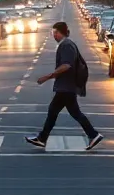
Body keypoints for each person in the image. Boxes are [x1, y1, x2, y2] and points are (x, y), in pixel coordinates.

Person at [26, 21, 103, 150]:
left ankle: (93, 135)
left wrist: (48, 77)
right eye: (53, 33)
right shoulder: (67, 44)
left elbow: (67, 65)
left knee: (65, 112)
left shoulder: (66, 45)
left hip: (66, 86)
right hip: (66, 86)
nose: (54, 35)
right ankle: (43, 138)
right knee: (59, 111)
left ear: (60, 32)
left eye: (55, 33)